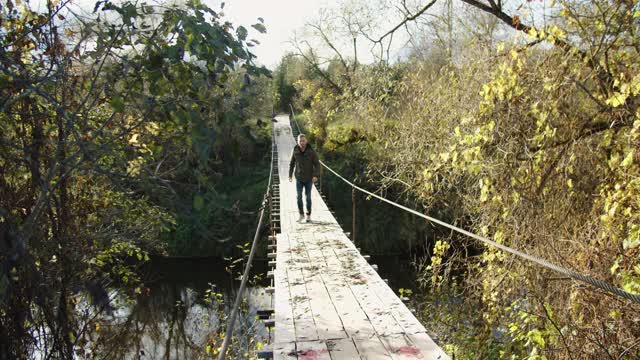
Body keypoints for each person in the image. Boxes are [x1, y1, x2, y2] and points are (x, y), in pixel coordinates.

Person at [289, 134, 320, 223]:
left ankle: (308, 215)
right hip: (299, 178)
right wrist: (290, 175)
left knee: (308, 197)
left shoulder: (311, 151)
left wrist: (315, 175)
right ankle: (301, 215)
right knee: (298, 197)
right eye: (300, 141)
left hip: (309, 178)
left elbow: (317, 164)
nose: (302, 142)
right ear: (297, 142)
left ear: (306, 141)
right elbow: (292, 163)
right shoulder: (295, 150)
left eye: (303, 141)